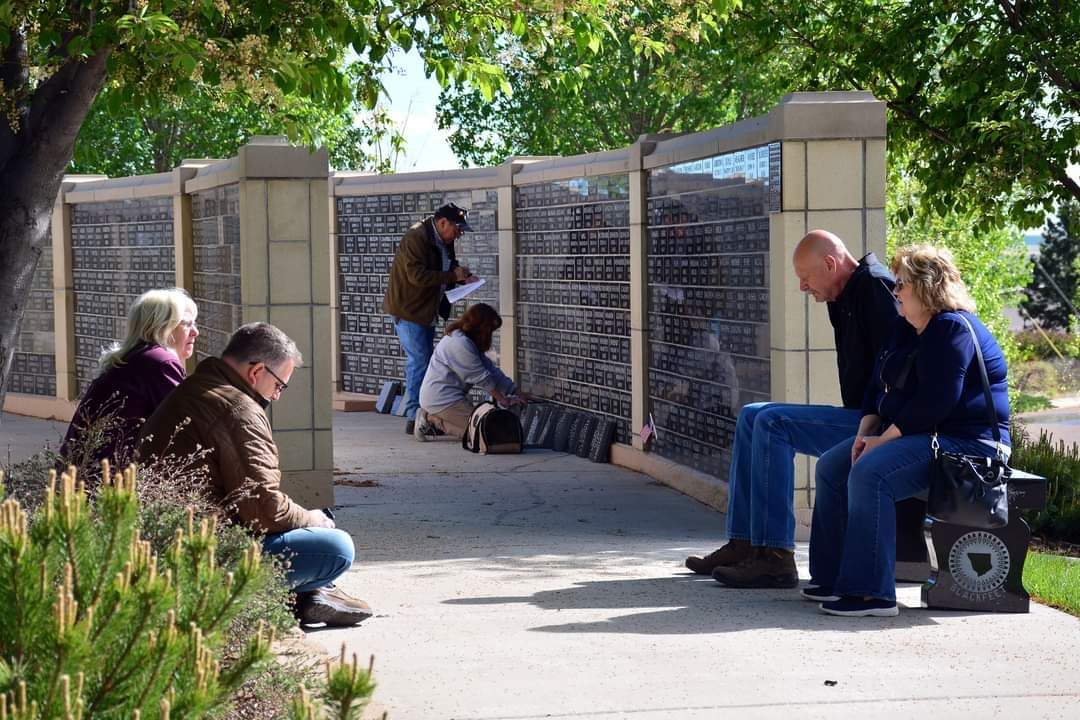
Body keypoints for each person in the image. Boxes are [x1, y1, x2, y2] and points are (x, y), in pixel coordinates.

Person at [808, 244, 1010, 617]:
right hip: (927, 437)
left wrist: (882, 441)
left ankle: (871, 593)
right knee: (833, 466)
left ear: (927, 287)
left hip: (970, 448)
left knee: (871, 472)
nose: (895, 291)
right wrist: (864, 432)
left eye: (902, 284)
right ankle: (832, 577)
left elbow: (937, 401)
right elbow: (876, 387)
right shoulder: (907, 328)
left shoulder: (951, 327)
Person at [690, 229, 899, 588]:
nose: (803, 288)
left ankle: (774, 558)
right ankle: (744, 542)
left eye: (806, 278)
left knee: (773, 422)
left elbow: (895, 376)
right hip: (860, 415)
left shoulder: (876, 288)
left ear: (831, 264)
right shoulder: (842, 294)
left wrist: (871, 429)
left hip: (884, 427)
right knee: (752, 414)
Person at [138, 322, 372, 627]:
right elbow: (263, 510)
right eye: (279, 385)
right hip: (204, 555)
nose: (277, 396)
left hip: (167, 540)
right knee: (337, 547)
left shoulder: (195, 388)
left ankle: (313, 593)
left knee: (314, 511)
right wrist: (314, 520)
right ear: (256, 371)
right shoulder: (239, 410)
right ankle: (305, 592)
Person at [61, 287, 199, 475]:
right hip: (107, 483)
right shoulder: (160, 362)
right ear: (163, 325)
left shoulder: (135, 357)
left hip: (80, 475)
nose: (195, 332)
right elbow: (189, 425)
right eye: (187, 324)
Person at [383, 202, 479, 435]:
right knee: (419, 362)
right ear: (442, 222)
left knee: (425, 362)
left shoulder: (444, 240)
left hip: (427, 310)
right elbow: (416, 276)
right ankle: (414, 416)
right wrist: (450, 275)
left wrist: (461, 276)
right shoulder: (416, 237)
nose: (459, 234)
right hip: (409, 311)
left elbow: (448, 267)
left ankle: (425, 415)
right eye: (457, 228)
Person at [415, 303, 525, 441]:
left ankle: (433, 417)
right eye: (490, 330)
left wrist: (516, 391)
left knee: (482, 429)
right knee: (481, 433)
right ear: (482, 327)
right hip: (442, 399)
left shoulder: (468, 341)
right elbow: (481, 378)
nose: (490, 334)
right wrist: (504, 400)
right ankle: (429, 419)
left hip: (449, 398)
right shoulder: (459, 343)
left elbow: (491, 371)